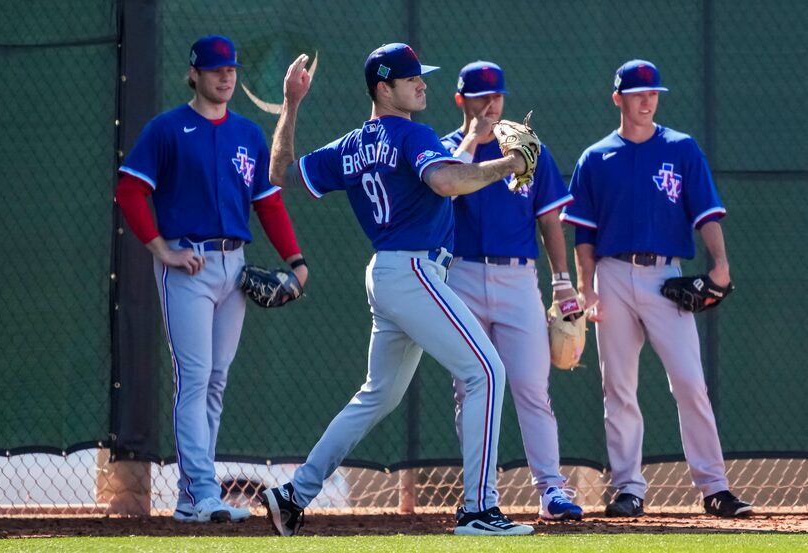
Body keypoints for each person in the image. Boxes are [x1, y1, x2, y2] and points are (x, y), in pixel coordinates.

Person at [260, 43, 535, 537]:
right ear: (383, 88)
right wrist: (508, 165)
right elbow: (447, 181)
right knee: (488, 373)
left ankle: (292, 494)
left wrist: (292, 103)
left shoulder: (350, 145)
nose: (422, 84)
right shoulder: (412, 133)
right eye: (411, 79)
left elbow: (279, 170)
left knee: (378, 395)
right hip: (413, 270)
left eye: (422, 77)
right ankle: (478, 510)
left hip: (388, 274)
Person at [115, 35, 308, 523]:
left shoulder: (247, 133)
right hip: (190, 265)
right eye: (217, 69)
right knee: (195, 378)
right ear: (195, 74)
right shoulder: (168, 129)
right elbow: (130, 190)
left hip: (234, 267)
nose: (226, 76)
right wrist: (161, 248)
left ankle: (189, 498)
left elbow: (267, 201)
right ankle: (203, 491)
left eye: (232, 70)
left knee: (216, 382)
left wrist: (295, 258)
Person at [560, 59, 753, 518]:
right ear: (618, 99)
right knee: (618, 387)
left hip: (667, 275)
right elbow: (583, 235)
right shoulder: (595, 157)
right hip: (612, 274)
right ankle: (629, 487)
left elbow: (705, 212)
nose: (647, 100)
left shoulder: (682, 149)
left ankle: (715, 487)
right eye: (638, 93)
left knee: (690, 382)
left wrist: (721, 264)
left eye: (653, 93)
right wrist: (585, 289)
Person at [441, 61, 583, 521]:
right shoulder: (445, 150)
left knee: (530, 385)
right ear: (460, 100)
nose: (491, 105)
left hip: (519, 278)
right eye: (481, 97)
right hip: (461, 274)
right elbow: (449, 188)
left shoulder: (528, 149)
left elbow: (549, 219)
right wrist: (475, 138)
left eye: (497, 96)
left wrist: (563, 282)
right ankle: (480, 494)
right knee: (471, 387)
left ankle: (551, 490)